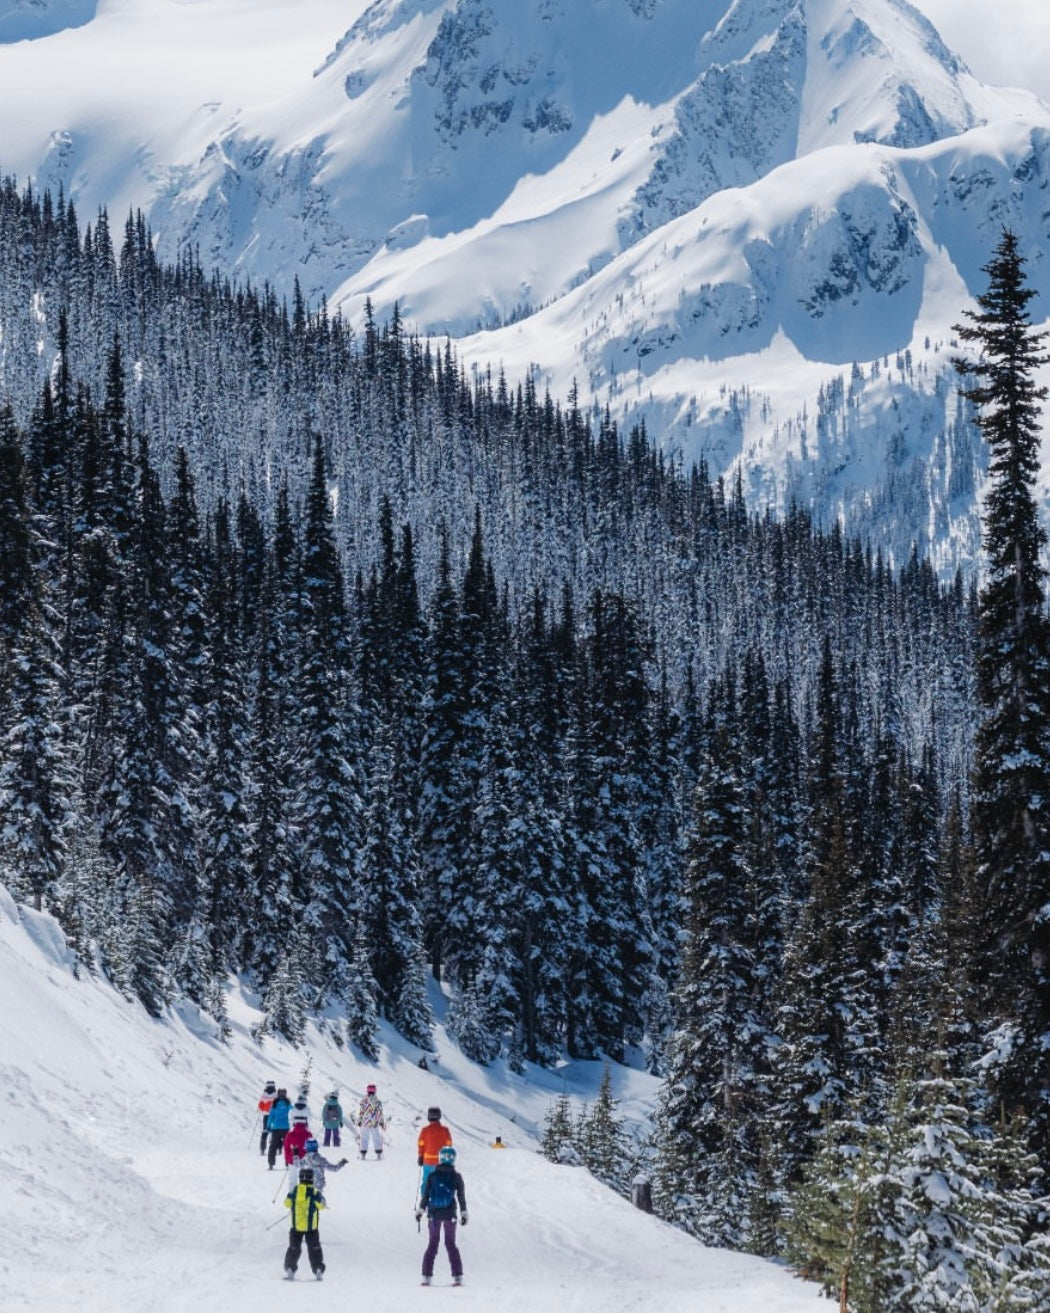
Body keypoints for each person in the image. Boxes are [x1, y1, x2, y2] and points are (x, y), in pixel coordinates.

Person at [415, 1144, 467, 1287]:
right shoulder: (456, 1177)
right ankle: (457, 1277)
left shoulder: (432, 1176)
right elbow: (461, 1197)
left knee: (433, 1243)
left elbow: (426, 1196)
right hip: (450, 1214)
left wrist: (421, 1210)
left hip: (434, 1214)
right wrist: (463, 1213)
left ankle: (426, 1277)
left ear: (440, 1158)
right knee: (451, 1244)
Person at [283, 1166, 326, 1281]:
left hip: (296, 1227)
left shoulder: (294, 1191)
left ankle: (290, 1268)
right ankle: (318, 1268)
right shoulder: (315, 1192)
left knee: (294, 1248)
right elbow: (321, 1206)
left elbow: (286, 1204)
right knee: (314, 1248)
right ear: (312, 1178)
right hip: (311, 1228)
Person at [417, 1106, 453, 1192]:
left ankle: (424, 1199)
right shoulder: (445, 1130)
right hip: (441, 1163)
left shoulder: (425, 1130)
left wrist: (420, 1157)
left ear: (429, 1117)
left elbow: (420, 1145)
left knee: (426, 1182)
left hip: (428, 1162)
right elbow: (449, 1146)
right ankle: (440, 1198)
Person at [357, 1083, 386, 1159]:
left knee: (364, 1138)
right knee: (376, 1138)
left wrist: (360, 1120)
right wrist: (381, 1121)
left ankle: (363, 1154)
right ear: (375, 1091)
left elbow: (361, 1111)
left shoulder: (364, 1101)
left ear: (367, 1091)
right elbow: (380, 1112)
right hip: (374, 1122)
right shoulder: (378, 1102)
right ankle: (379, 1153)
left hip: (365, 1122)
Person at [266, 1087, 292, 1170]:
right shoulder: (288, 1104)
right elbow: (292, 1113)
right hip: (285, 1127)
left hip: (276, 1127)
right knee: (287, 1146)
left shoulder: (274, 1104)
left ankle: (271, 1164)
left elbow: (271, 1116)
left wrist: (268, 1126)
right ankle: (288, 1163)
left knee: (273, 1146)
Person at [283, 1102, 311, 1167]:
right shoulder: (308, 1134)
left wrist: (287, 1159)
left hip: (292, 1159)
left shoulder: (290, 1135)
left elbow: (286, 1148)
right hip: (306, 1160)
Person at [257, 1079, 277, 1156]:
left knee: (265, 1131)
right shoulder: (276, 1095)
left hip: (266, 1115)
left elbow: (260, 1106)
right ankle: (274, 1149)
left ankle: (262, 1149)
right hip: (274, 1115)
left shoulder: (264, 1095)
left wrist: (262, 1109)